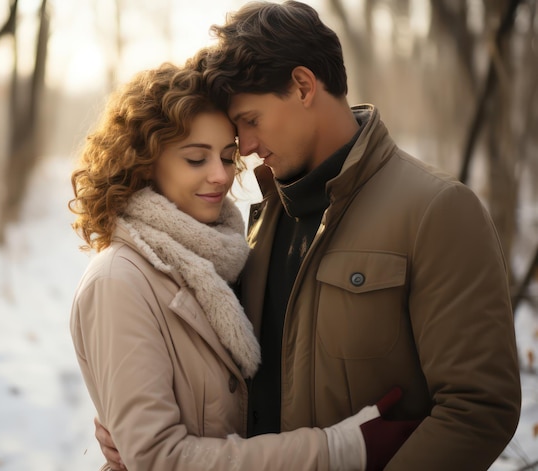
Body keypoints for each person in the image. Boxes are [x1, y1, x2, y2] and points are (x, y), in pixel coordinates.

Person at [95, 1, 522, 470]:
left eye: (251, 121)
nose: (247, 148)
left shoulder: (436, 210)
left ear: (302, 86)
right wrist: (143, 441)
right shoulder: (252, 226)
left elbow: (479, 408)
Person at [69, 62, 417, 470]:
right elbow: (159, 458)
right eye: (196, 159)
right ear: (144, 164)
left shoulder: (221, 256)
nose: (220, 176)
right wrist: (338, 449)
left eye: (228, 156)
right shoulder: (120, 281)